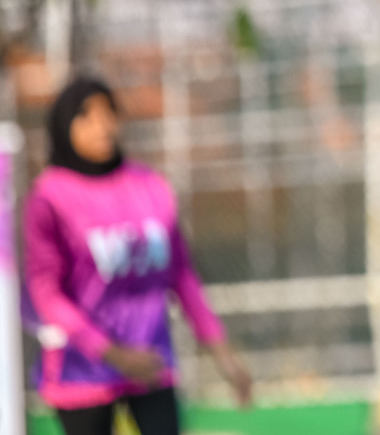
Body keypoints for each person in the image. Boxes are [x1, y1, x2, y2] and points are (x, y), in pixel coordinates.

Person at [23, 77, 251, 435]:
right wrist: (112, 353)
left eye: (108, 114)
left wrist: (222, 351)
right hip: (84, 368)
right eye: (86, 117)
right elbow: (46, 292)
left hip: (150, 361)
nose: (101, 126)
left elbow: (182, 276)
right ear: (64, 126)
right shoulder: (51, 198)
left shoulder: (148, 185)